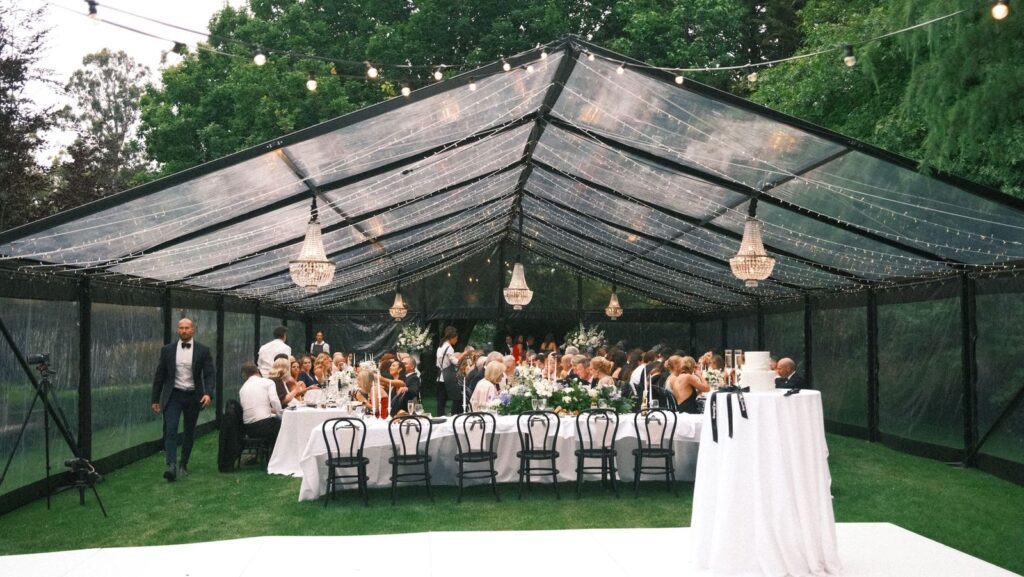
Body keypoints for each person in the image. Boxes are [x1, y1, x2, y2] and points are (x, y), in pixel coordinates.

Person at [151, 318, 215, 482]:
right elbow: (160, 375)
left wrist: (208, 393)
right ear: (177, 330)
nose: (184, 330)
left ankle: (183, 464)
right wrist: (155, 399)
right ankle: (171, 465)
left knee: (189, 431)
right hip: (173, 395)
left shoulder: (203, 350)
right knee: (170, 429)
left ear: (193, 329)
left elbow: (209, 374)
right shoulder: (167, 350)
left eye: (187, 328)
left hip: (194, 396)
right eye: (181, 328)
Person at [238, 361, 283, 446]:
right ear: (258, 371)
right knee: (287, 424)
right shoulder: (268, 382)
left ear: (245, 375)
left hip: (249, 429)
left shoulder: (242, 389)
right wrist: (281, 415)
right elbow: (274, 401)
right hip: (265, 426)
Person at [436, 326, 469, 415]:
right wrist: (464, 354)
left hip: (440, 375)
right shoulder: (449, 348)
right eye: (456, 338)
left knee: (441, 400)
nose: (456, 341)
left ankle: (440, 415)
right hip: (448, 376)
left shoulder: (440, 347)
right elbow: (456, 362)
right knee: (456, 397)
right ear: (452, 338)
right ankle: (455, 414)